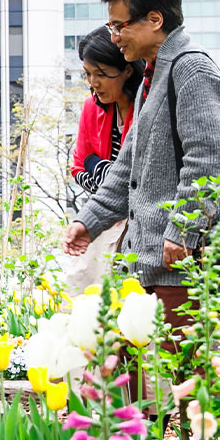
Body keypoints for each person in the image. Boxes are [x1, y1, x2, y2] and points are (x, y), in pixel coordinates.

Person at [62, 0, 220, 333]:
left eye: (119, 26)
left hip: (184, 266)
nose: (114, 37)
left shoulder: (191, 69)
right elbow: (126, 167)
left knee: (183, 384)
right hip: (149, 266)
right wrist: (88, 221)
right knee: (143, 383)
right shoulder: (154, 75)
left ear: (155, 20)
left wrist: (182, 231)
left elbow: (209, 163)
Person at [60, 27, 144, 294]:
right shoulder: (91, 107)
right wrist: (106, 172)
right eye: (88, 74)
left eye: (102, 74)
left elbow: (137, 176)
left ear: (127, 71)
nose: (93, 82)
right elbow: (78, 167)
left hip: (139, 222)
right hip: (104, 217)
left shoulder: (146, 107)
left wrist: (99, 166)